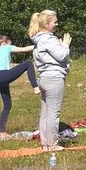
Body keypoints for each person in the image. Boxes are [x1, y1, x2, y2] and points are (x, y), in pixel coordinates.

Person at [28, 10, 71, 152]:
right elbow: (61, 55)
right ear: (46, 24)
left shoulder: (39, 40)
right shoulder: (48, 39)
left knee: (45, 113)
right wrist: (64, 44)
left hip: (44, 78)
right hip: (53, 79)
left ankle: (45, 144)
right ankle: (52, 144)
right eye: (55, 22)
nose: (57, 24)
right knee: (53, 113)